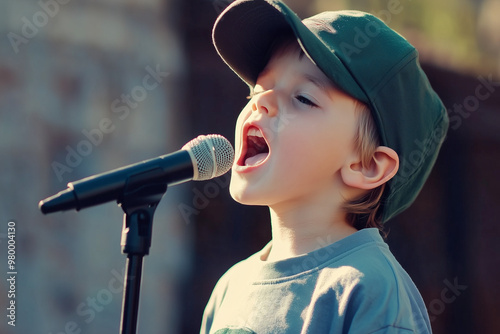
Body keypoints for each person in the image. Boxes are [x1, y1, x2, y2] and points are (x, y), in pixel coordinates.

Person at [201, 0, 449, 333]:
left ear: (368, 165)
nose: (262, 101)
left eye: (303, 98)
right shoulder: (229, 288)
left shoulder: (369, 289)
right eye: (258, 90)